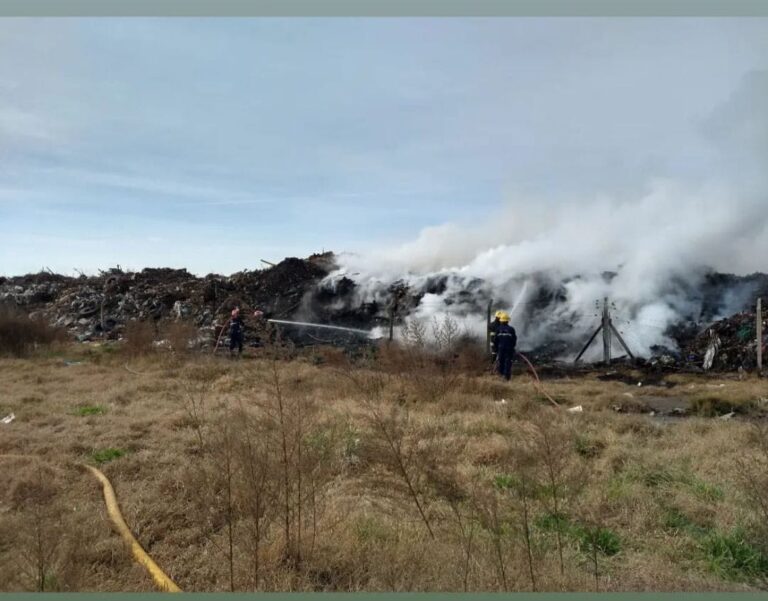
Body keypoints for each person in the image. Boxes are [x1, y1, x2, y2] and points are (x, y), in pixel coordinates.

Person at [495, 312, 517, 381]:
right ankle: (506, 377)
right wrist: (513, 347)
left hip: (500, 348)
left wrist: (496, 348)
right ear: (507, 321)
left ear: (501, 321)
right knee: (507, 362)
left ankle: (500, 375)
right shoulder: (511, 329)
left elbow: (495, 340)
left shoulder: (498, 329)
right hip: (509, 349)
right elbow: (514, 340)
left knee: (501, 361)